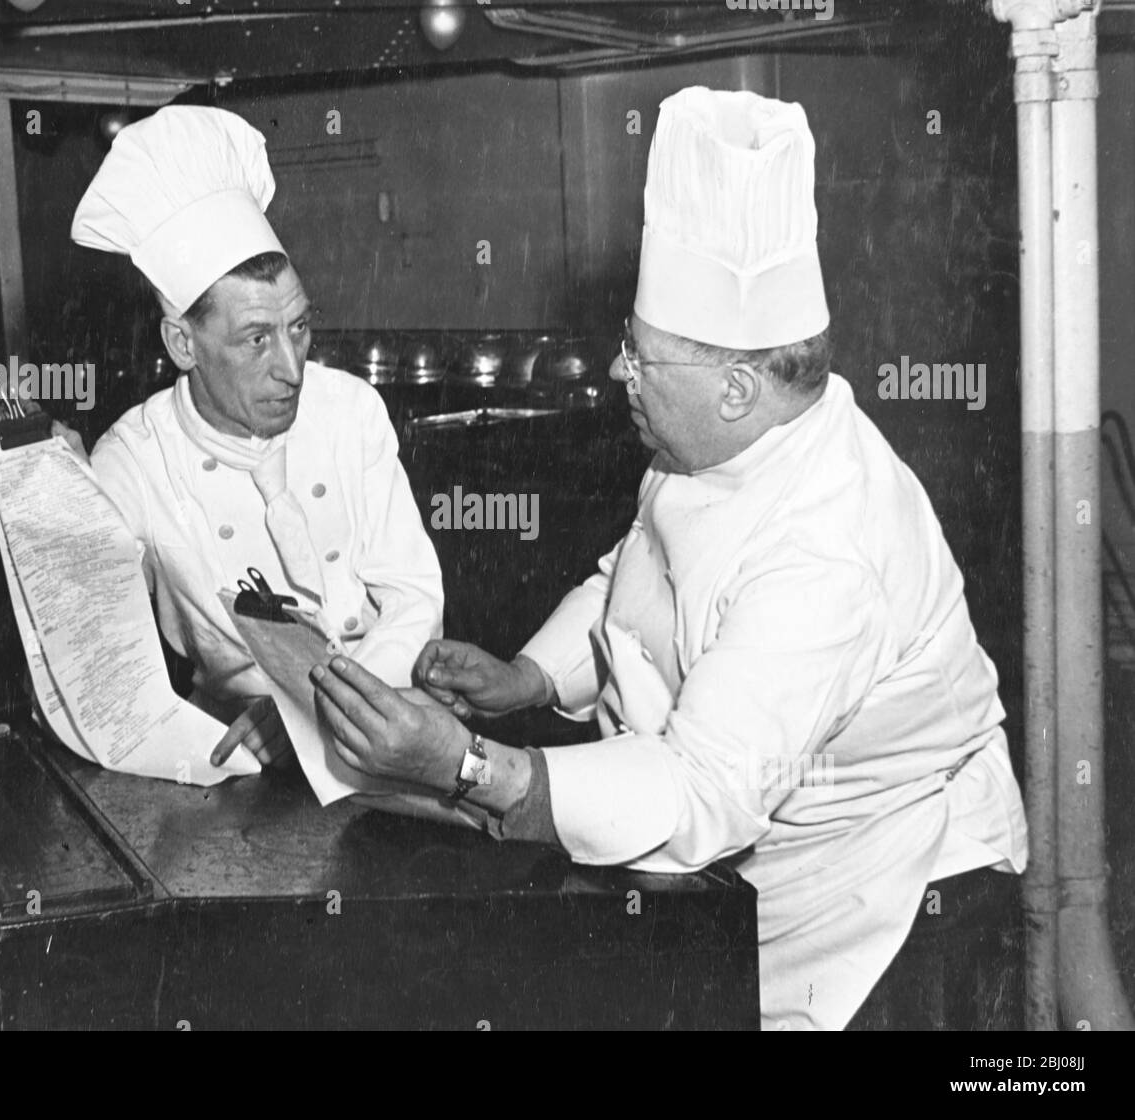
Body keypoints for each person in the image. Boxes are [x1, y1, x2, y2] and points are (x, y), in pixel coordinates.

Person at [309, 86, 1028, 1030]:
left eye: (641, 357)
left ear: (737, 388)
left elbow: (700, 790)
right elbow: (633, 570)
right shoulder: (709, 445)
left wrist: (469, 766)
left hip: (885, 896)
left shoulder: (828, 549)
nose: (618, 372)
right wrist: (529, 678)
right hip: (745, 864)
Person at [68, 106, 443, 769]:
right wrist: (58, 503)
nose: (292, 369)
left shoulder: (351, 410)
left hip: (389, 724)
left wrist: (317, 712)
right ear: (183, 344)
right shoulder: (133, 461)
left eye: (299, 327)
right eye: (256, 340)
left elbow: (414, 597)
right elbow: (93, 652)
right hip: (241, 757)